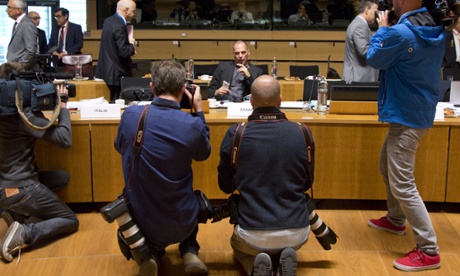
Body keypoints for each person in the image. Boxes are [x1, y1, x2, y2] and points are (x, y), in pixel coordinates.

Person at [366, 0, 445, 272]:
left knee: (403, 184)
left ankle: (428, 250)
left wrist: (383, 28)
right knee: (384, 165)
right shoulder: (434, 28)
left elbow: (374, 58)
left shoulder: (401, 33)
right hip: (415, 110)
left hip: (406, 114)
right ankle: (395, 219)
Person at [114, 60, 211, 275]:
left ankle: (149, 255)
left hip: (140, 220)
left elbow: (119, 147)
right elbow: (204, 154)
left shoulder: (131, 116)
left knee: (135, 195)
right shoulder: (192, 124)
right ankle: (189, 252)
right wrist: (199, 110)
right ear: (184, 89)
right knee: (193, 196)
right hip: (182, 219)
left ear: (152, 87)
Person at [217, 75, 314, 276]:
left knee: (238, 247)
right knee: (286, 243)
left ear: (251, 100)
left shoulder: (236, 133)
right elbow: (307, 182)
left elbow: (225, 186)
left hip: (251, 234)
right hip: (297, 232)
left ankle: (257, 267)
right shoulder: (303, 132)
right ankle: (280, 261)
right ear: (280, 100)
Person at [0, 62, 79, 263]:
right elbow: (65, 139)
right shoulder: (23, 117)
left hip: (4, 183)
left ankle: (14, 212)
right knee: (70, 220)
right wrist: (62, 106)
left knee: (61, 178)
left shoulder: (6, 113)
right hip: (20, 187)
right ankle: (25, 232)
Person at [95, 0, 137, 101]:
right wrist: (132, 44)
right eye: (133, 11)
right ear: (126, 10)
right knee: (117, 104)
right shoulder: (119, 25)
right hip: (116, 72)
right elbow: (123, 52)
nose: (134, 14)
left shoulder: (108, 21)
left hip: (106, 70)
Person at [342, 0, 379, 83]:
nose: (376, 16)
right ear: (367, 10)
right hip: (358, 78)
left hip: (360, 77)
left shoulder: (360, 24)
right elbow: (364, 51)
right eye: (375, 12)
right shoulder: (359, 26)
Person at [5, 0, 37, 70]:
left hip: (21, 71)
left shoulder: (27, 24)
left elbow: (30, 50)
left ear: (18, 10)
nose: (6, 10)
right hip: (13, 68)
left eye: (9, 7)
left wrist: (21, 65)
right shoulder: (18, 23)